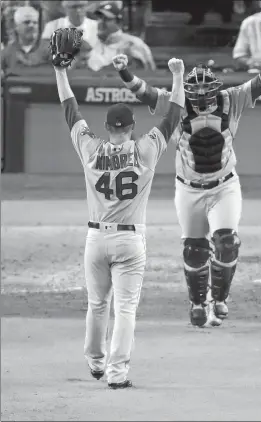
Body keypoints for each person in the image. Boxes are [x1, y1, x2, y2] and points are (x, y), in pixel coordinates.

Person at [113, 45, 261, 327]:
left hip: (224, 186)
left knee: (227, 242)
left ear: (215, 89)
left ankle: (219, 299)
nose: (201, 96)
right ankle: (197, 303)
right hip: (188, 188)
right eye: (196, 91)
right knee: (195, 249)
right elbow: (144, 92)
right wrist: (124, 71)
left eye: (206, 90)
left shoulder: (231, 100)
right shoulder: (176, 102)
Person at [53, 50, 185, 388]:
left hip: (96, 239)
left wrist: (60, 70)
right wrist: (177, 76)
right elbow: (175, 113)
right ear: (130, 128)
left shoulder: (90, 149)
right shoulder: (145, 150)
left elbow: (70, 110)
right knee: (125, 309)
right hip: (130, 239)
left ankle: (95, 363)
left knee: (97, 305)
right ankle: (116, 374)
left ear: (108, 128)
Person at [87, 1, 156, 72]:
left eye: (107, 19)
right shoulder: (93, 44)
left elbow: (148, 73)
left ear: (118, 22)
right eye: (100, 18)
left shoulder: (134, 43)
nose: (102, 22)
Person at [1, 6, 48, 74]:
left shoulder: (50, 50)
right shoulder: (6, 53)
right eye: (27, 22)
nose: (32, 25)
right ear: (16, 26)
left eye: (35, 23)